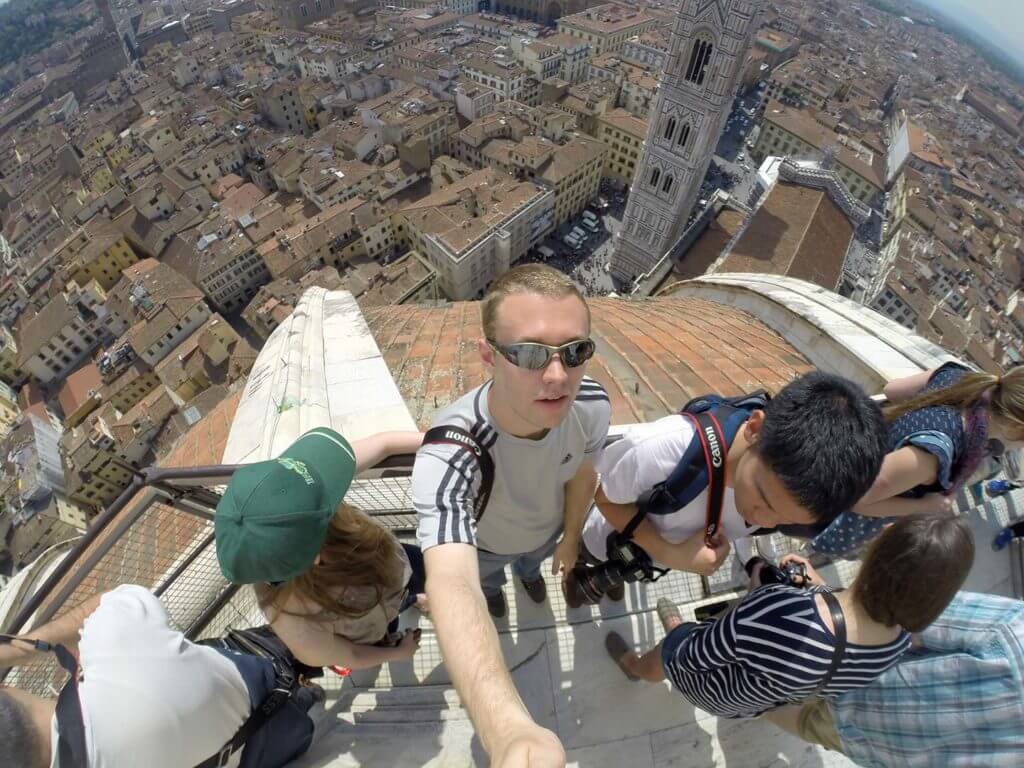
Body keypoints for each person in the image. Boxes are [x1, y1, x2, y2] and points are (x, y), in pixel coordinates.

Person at [411, 264, 611, 767]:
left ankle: (523, 580)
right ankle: (500, 593)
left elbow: (583, 475)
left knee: (530, 569)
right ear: (488, 357)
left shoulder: (590, 405)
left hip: (545, 537)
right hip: (487, 547)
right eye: (528, 354)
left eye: (575, 352)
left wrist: (568, 540)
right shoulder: (453, 450)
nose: (557, 376)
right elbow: (452, 583)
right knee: (485, 585)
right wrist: (508, 731)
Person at [605, 515, 973, 720]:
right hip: (749, 705)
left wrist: (764, 598)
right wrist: (819, 589)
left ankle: (635, 665)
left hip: (707, 685)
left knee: (675, 647)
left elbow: (698, 656)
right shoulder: (895, 647)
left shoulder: (785, 610)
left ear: (878, 553)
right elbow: (845, 636)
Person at [569, 372, 890, 599]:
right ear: (755, 427)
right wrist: (672, 554)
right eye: (764, 498)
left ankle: (614, 577)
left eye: (783, 521)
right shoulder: (663, 452)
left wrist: (672, 555)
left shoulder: (783, 489)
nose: (763, 521)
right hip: (603, 537)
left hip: (648, 554)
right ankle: (587, 574)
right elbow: (604, 499)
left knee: (619, 574)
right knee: (588, 560)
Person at [0, 585, 318, 768]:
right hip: (266, 684)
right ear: (4, 687)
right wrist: (17, 649)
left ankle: (309, 693)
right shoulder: (118, 648)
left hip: (271, 750)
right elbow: (108, 601)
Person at [216, 427, 427, 671]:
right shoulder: (294, 621)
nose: (324, 482)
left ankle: (411, 599)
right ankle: (410, 601)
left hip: (393, 565)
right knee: (391, 622)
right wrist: (399, 652)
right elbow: (353, 655)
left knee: (415, 582)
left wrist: (449, 439)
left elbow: (384, 444)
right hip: (376, 612)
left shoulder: (300, 491)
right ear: (316, 555)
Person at [763, 590, 1024, 767]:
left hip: (856, 669)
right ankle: (752, 704)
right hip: (877, 746)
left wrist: (833, 597)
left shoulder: (1017, 630)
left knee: (780, 671)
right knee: (803, 721)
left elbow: (908, 615)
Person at [807, 362, 1024, 555]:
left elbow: (892, 390)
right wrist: (925, 505)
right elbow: (858, 500)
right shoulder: (934, 454)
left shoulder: (959, 375)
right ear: (1016, 427)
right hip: (824, 499)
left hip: (843, 445)